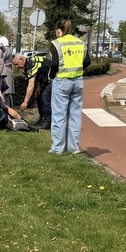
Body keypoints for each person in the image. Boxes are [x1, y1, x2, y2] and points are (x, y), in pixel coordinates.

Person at [44, 19, 91, 154]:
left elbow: (53, 64)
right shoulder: (80, 43)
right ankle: (73, 147)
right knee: (75, 115)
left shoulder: (56, 43)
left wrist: (52, 76)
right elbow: (87, 61)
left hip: (62, 81)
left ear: (59, 30)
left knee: (59, 114)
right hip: (78, 81)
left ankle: (58, 148)